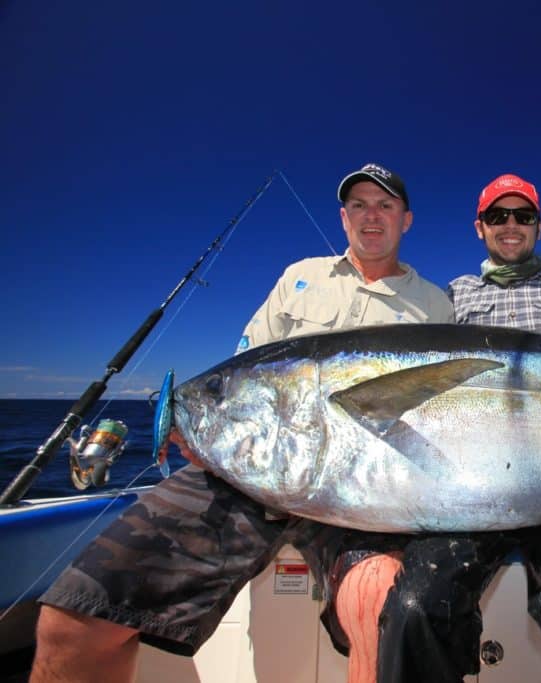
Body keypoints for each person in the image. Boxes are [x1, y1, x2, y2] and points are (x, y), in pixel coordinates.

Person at [31, 163, 454, 683]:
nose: (372, 216)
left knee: (385, 612)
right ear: (343, 218)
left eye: (385, 205)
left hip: (367, 495)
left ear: (406, 220)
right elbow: (243, 370)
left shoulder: (436, 303)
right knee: (77, 615)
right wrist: (207, 429)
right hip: (249, 480)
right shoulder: (299, 277)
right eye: (359, 205)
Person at [365, 173, 541, 683]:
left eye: (523, 215)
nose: (511, 225)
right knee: (415, 606)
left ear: (539, 226)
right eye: (498, 216)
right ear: (480, 228)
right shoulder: (454, 296)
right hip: (475, 491)